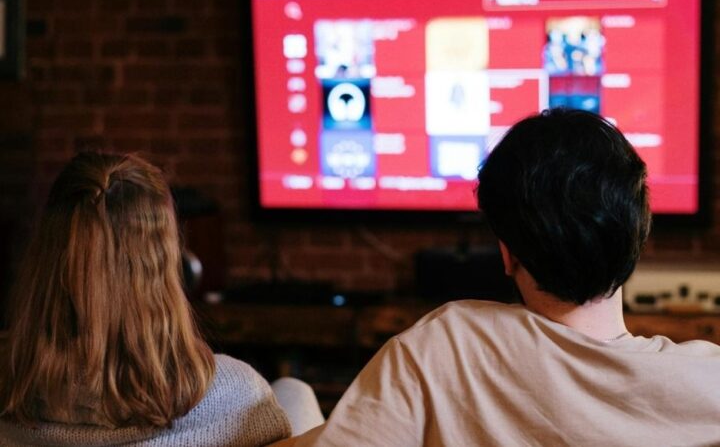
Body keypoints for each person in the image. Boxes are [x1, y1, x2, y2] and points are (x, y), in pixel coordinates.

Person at [281, 108, 720, 446]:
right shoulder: (707, 382)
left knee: (290, 391)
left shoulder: (445, 345)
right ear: (638, 237)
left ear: (508, 255)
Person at [0, 152, 299, 446]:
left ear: (46, 262)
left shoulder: (11, 398)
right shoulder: (238, 397)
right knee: (295, 390)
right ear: (167, 263)